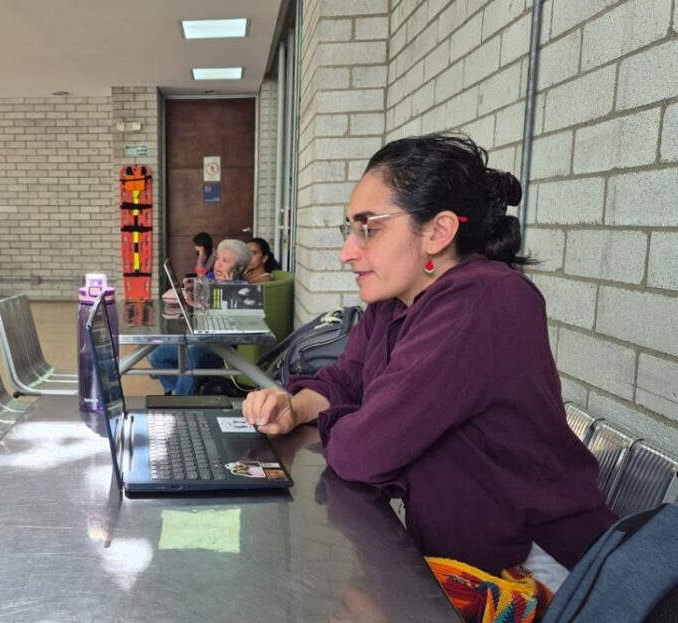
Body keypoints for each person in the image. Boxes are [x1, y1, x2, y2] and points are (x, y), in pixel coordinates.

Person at [242, 134, 616, 590]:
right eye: (350, 229)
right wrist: (295, 406)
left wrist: (349, 420)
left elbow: (365, 451)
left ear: (437, 232)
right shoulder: (394, 299)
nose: (347, 252)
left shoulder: (483, 300)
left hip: (530, 574)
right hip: (460, 556)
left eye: (368, 228)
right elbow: (346, 380)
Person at [149, 239, 251, 395]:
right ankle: (174, 392)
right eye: (217, 258)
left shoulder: (245, 291)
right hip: (201, 338)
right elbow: (201, 301)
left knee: (190, 354)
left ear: (240, 269)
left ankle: (180, 402)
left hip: (222, 348)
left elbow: (238, 327)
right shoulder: (210, 278)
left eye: (225, 261)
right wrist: (191, 296)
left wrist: (229, 290)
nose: (218, 265)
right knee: (155, 354)